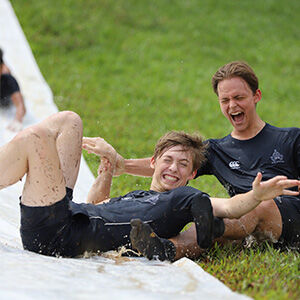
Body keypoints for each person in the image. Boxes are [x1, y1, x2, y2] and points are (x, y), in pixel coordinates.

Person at [0, 111, 298, 258]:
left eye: (184, 165)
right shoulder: (137, 195)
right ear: (153, 162)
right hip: (64, 214)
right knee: (69, 120)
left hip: (53, 236)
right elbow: (93, 206)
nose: (174, 168)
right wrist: (106, 168)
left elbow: (232, 207)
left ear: (192, 175)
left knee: (33, 139)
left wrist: (256, 195)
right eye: (168, 160)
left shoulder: (185, 199)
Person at [114, 61, 300, 261]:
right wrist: (123, 165)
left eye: (239, 97)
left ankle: (216, 225)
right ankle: (166, 249)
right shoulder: (217, 150)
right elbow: (170, 164)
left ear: (256, 96)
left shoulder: (290, 138)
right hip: (242, 221)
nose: (232, 105)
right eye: (225, 100)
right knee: (210, 226)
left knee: (257, 204)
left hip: (288, 218)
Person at [0, 48, 26, 132]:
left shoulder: (8, 80)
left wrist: (17, 120)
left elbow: (20, 105)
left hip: (6, 102)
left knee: (7, 72)